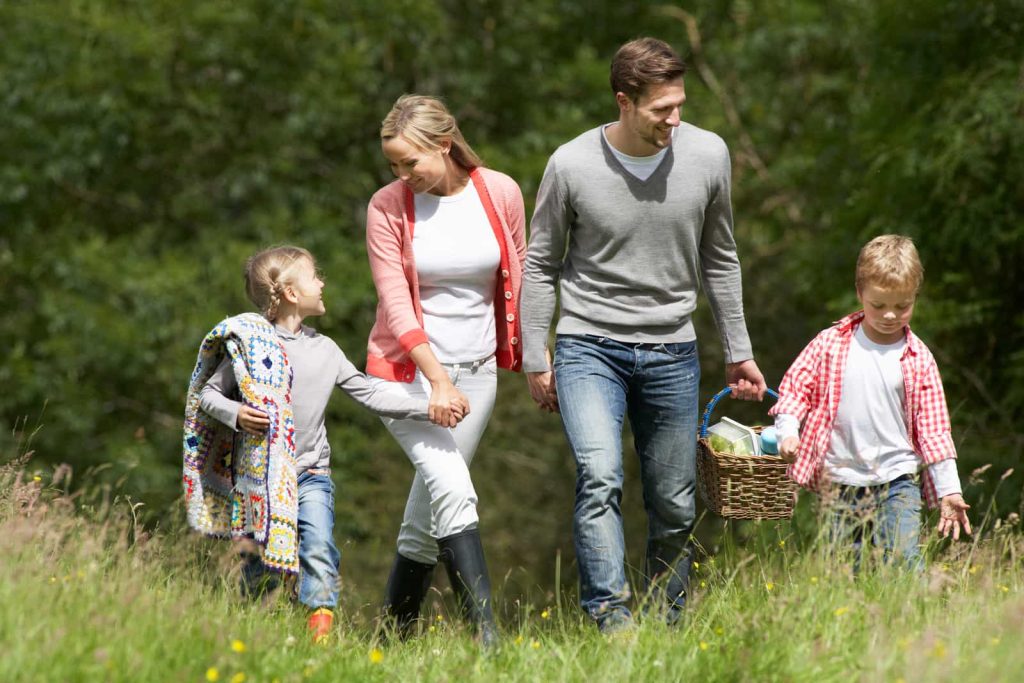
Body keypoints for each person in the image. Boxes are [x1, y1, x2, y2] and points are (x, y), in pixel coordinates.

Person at [520, 37, 766, 632]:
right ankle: (612, 622)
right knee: (601, 477)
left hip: (672, 350)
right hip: (588, 345)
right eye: (662, 109)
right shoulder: (571, 164)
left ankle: (667, 625)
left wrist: (739, 351)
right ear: (624, 101)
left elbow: (721, 257)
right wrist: (535, 355)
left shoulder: (709, 155)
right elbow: (540, 262)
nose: (675, 119)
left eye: (680, 105)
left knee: (675, 503)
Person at [183, 245, 437, 644]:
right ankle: (258, 633)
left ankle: (319, 639)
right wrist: (237, 414)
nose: (322, 282)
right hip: (260, 479)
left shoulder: (326, 349)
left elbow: (370, 394)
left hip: (312, 474)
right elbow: (208, 396)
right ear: (290, 292)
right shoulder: (253, 346)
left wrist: (429, 407)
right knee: (257, 561)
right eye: (314, 275)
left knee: (318, 546)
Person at [364, 94, 526, 645]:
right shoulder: (386, 206)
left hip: (478, 377)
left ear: (445, 143)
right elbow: (395, 302)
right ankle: (489, 646)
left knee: (426, 513)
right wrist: (435, 379)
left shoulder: (499, 191)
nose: (403, 175)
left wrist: (535, 363)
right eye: (394, 165)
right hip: (406, 379)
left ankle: (390, 643)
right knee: (455, 490)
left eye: (412, 162)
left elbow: (520, 277)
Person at [771, 235, 971, 571]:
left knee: (904, 561)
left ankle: (913, 619)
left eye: (902, 305)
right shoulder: (829, 344)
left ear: (915, 298)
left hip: (897, 481)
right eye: (878, 305)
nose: (890, 315)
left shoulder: (918, 358)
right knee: (846, 569)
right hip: (838, 482)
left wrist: (949, 489)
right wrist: (788, 432)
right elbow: (794, 391)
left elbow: (934, 430)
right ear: (860, 292)